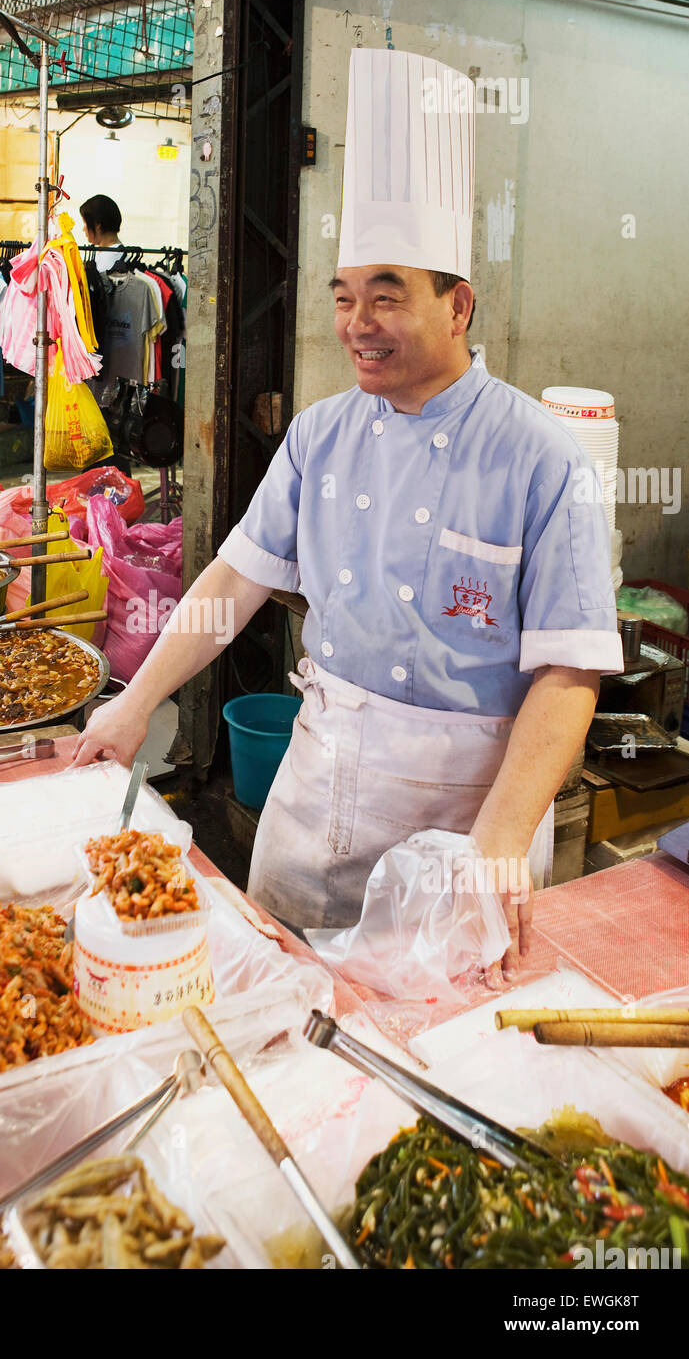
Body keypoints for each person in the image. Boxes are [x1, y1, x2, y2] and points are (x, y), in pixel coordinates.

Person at [73, 49, 623, 977]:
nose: (356, 321)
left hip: (466, 819)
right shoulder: (321, 435)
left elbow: (569, 675)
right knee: (282, 1017)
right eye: (342, 297)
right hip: (317, 788)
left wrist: (496, 846)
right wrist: (137, 701)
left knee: (435, 1053)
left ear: (459, 305)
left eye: (385, 296)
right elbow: (236, 581)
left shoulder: (540, 457)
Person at [80, 194, 124, 272]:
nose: (83, 229)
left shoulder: (108, 260)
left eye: (85, 224)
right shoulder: (115, 253)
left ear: (98, 226)